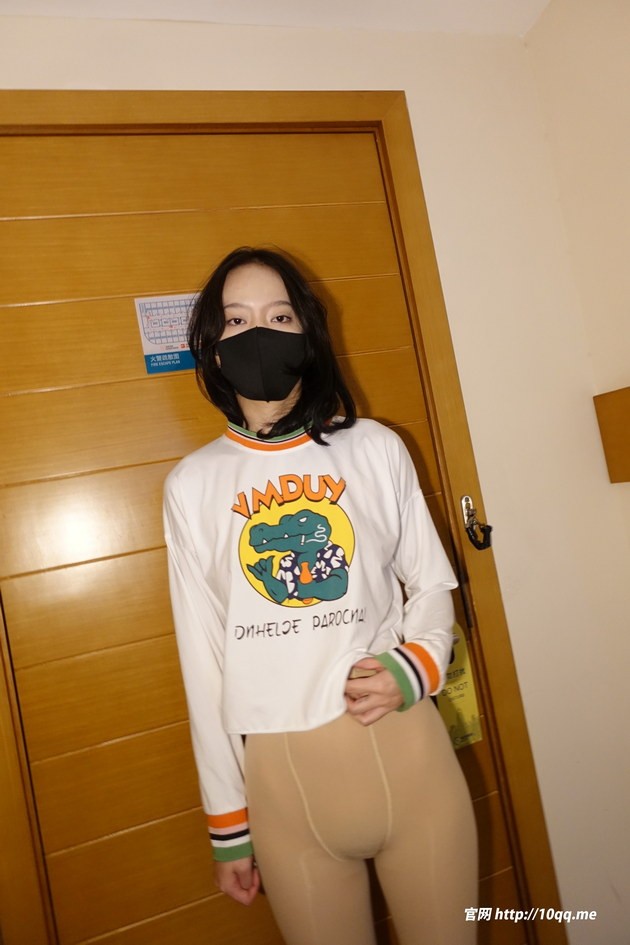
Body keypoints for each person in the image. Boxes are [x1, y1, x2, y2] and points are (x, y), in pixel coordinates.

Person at [163, 246, 478, 945]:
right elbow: (202, 658)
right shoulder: (192, 485)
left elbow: (431, 580)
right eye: (236, 320)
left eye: (279, 316)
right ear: (211, 347)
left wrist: (420, 663)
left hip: (410, 752)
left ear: (308, 331)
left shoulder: (375, 447)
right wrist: (227, 822)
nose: (259, 332)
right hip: (285, 791)